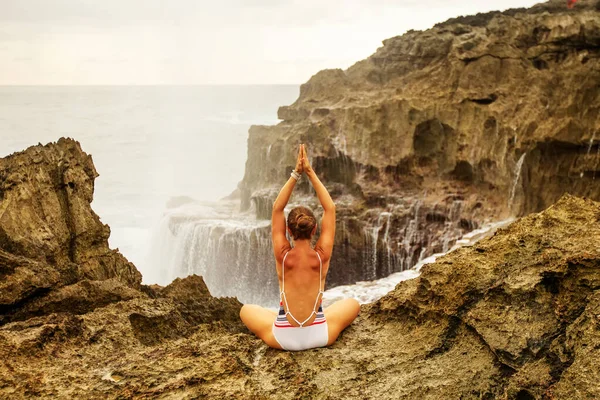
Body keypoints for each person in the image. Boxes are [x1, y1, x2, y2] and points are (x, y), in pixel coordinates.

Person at [240, 144, 360, 351]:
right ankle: (308, 320)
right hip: (320, 335)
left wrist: (296, 173)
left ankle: (276, 316)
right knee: (353, 304)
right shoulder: (322, 256)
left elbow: (277, 208)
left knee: (246, 310)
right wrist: (310, 172)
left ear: (288, 230)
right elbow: (329, 208)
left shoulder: (283, 255)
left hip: (283, 339)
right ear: (314, 230)